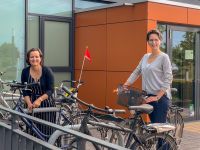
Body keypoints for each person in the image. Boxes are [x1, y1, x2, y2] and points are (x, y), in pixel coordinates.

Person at [124, 29, 173, 123]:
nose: (153, 42)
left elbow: (169, 78)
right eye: (151, 40)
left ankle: (165, 138)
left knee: (158, 129)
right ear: (148, 42)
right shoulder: (145, 56)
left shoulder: (164, 57)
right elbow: (136, 72)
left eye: (156, 40)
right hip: (148, 97)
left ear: (160, 41)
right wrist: (126, 84)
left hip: (160, 98)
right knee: (152, 126)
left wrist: (157, 97)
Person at [21, 48, 56, 139]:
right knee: (32, 131)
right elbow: (25, 90)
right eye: (31, 57)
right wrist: (28, 103)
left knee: (47, 131)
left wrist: (39, 99)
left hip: (46, 104)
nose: (34, 59)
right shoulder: (25, 72)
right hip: (31, 104)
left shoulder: (47, 71)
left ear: (40, 58)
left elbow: (50, 90)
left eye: (37, 56)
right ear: (28, 59)